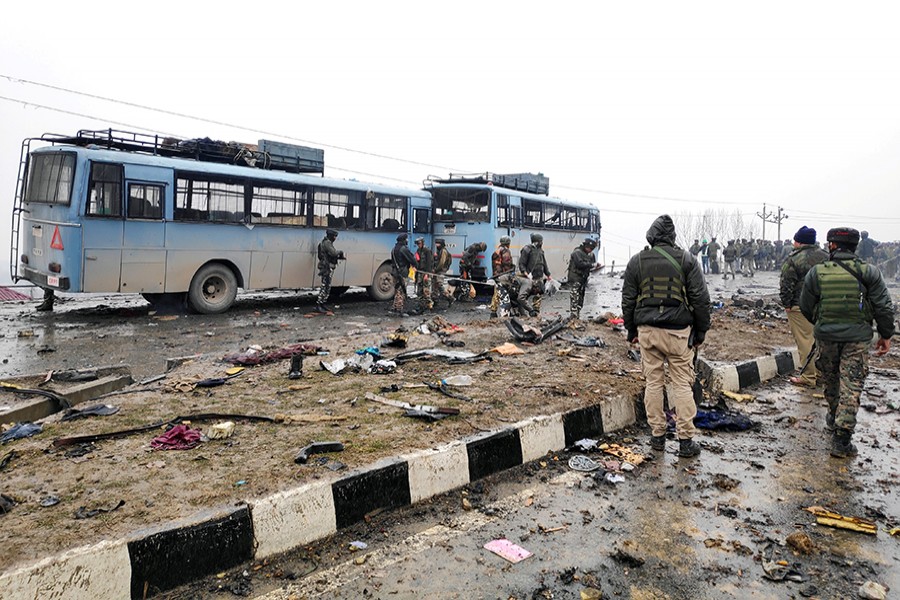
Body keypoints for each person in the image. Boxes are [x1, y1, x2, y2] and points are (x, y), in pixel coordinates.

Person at [799, 227, 894, 458]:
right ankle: (842, 440)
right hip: (857, 338)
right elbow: (883, 306)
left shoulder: (817, 273)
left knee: (831, 380)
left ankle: (833, 417)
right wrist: (885, 334)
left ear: (831, 245)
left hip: (827, 337)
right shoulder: (869, 272)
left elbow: (805, 306)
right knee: (851, 385)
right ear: (855, 247)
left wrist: (822, 322)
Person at [621, 215, 711, 458]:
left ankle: (657, 437)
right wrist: (701, 331)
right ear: (672, 237)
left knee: (653, 382)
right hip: (678, 333)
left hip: (647, 332)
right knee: (682, 384)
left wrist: (631, 331)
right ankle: (685, 441)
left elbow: (628, 300)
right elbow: (701, 300)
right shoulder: (687, 260)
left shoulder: (636, 262)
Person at [779, 226, 828, 387]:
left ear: (799, 242)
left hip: (800, 306)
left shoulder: (795, 258)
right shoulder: (827, 257)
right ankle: (822, 374)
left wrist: (787, 303)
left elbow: (787, 282)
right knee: (822, 340)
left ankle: (809, 376)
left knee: (805, 340)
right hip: (824, 305)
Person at [518, 233, 551, 315]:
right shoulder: (527, 249)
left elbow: (544, 263)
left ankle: (536, 312)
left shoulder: (541, 251)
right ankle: (522, 311)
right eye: (541, 241)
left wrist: (548, 274)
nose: (542, 243)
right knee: (525, 294)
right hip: (529, 277)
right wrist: (525, 273)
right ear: (537, 241)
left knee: (538, 295)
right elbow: (521, 263)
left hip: (539, 277)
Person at [567, 237, 598, 320]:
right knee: (574, 295)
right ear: (585, 246)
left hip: (584, 278)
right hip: (575, 277)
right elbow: (579, 264)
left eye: (592, 249)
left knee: (581, 296)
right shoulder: (577, 252)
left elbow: (592, 265)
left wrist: (596, 266)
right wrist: (591, 265)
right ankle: (573, 315)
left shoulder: (591, 255)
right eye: (589, 248)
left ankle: (578, 313)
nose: (590, 250)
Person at [315, 229, 344, 313]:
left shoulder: (327, 242)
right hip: (326, 267)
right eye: (334, 236)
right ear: (330, 235)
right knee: (325, 286)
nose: (335, 238)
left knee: (327, 286)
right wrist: (340, 252)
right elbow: (334, 253)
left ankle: (322, 304)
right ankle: (319, 305)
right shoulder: (327, 243)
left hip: (328, 267)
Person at [389, 233, 417, 315]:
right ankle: (399, 309)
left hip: (394, 272)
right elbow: (412, 259)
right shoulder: (403, 249)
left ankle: (394, 307)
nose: (407, 240)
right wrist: (415, 265)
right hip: (402, 272)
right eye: (406, 239)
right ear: (404, 240)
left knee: (397, 290)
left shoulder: (394, 249)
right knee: (401, 291)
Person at [489, 236, 515, 317]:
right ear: (508, 243)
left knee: (497, 292)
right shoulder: (505, 251)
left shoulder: (497, 250)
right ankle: (505, 313)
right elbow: (507, 263)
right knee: (504, 294)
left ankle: (493, 312)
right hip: (503, 275)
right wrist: (511, 269)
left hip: (496, 275)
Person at [431, 238, 454, 308]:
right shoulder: (439, 250)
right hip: (437, 270)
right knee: (434, 285)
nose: (437, 245)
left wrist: (436, 269)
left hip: (440, 270)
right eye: (436, 243)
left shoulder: (443, 251)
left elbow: (441, 262)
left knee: (439, 284)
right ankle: (435, 300)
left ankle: (450, 298)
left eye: (438, 243)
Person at [414, 237, 434, 313]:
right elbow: (417, 261)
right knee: (419, 291)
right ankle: (421, 306)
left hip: (426, 273)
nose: (418, 245)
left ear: (422, 243)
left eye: (419, 243)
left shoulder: (427, 251)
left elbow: (429, 263)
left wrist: (427, 274)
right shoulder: (418, 251)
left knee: (426, 291)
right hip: (419, 272)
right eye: (417, 244)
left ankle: (429, 307)